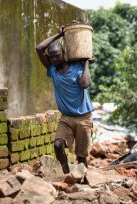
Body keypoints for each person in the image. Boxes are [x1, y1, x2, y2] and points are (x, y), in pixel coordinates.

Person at [36, 28, 94, 174]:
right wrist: (61, 34)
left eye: (57, 55)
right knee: (57, 145)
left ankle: (83, 181)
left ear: (63, 52)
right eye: (52, 57)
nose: (54, 59)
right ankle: (67, 173)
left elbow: (85, 83)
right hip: (66, 118)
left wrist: (86, 62)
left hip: (84, 118)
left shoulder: (77, 67)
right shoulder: (52, 70)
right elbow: (39, 48)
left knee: (81, 157)